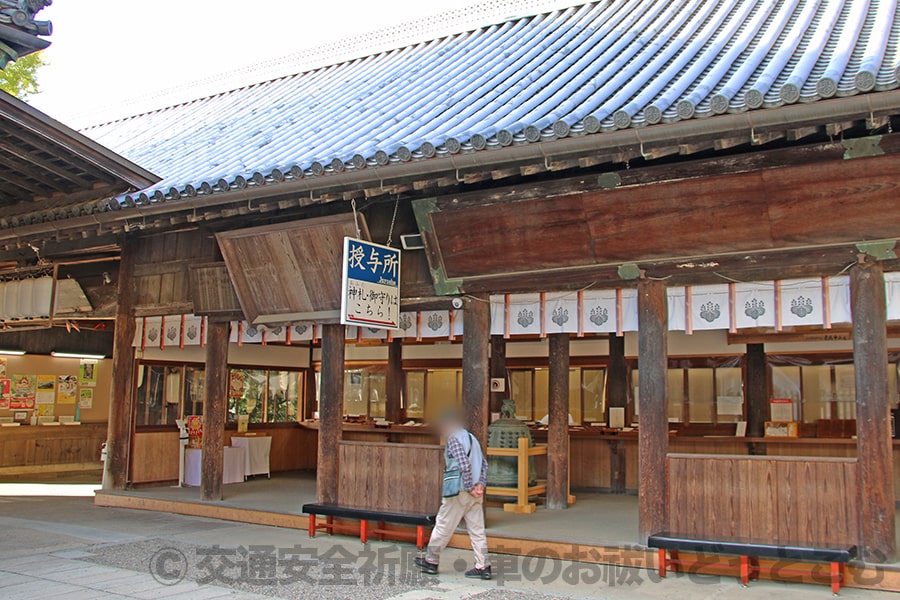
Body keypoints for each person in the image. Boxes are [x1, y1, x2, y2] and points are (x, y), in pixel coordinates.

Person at [415, 408, 491, 580]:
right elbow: (484, 464)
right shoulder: (472, 439)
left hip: (459, 490)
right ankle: (483, 565)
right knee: (477, 530)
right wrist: (480, 485)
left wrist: (470, 485)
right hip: (475, 493)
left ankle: (431, 561)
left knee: (443, 524)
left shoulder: (454, 439)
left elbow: (463, 464)